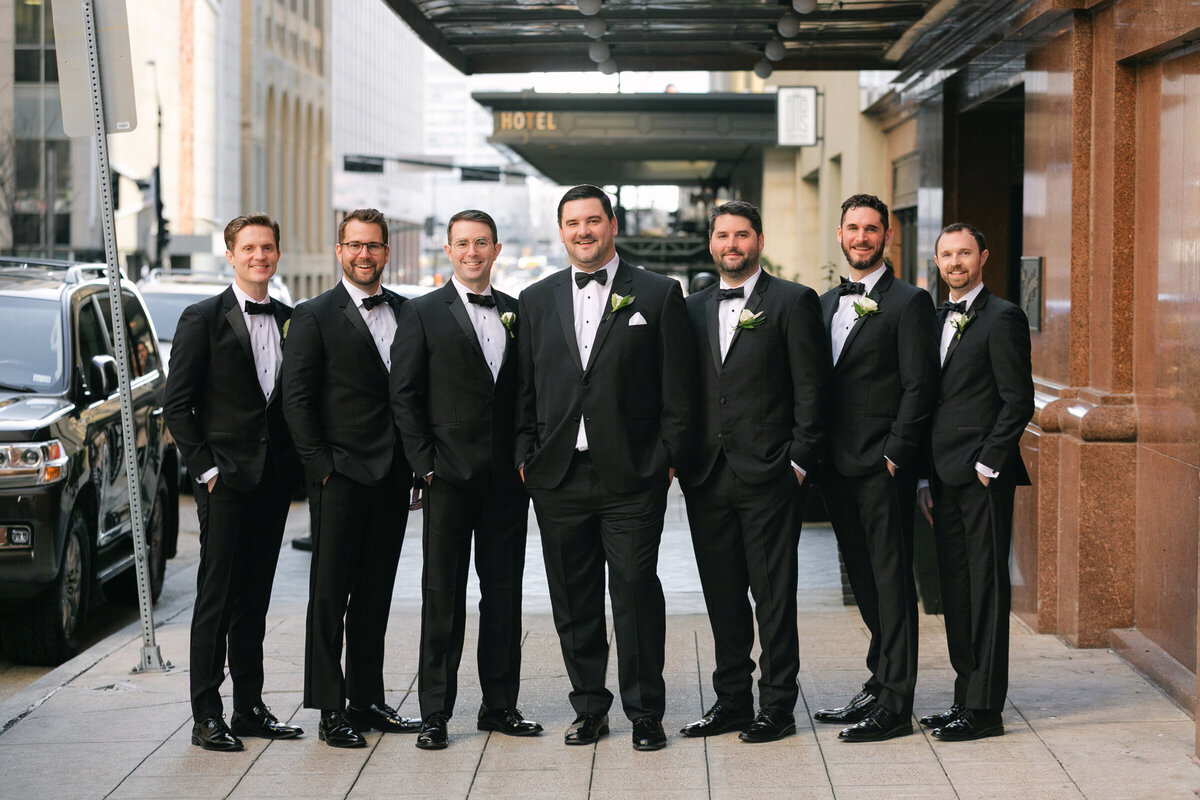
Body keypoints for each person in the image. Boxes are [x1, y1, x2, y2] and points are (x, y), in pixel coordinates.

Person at [514, 184, 695, 751]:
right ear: (561, 230)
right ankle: (589, 705)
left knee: (636, 588)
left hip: (633, 474)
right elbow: (523, 390)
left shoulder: (660, 293)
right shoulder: (535, 298)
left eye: (593, 221)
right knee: (574, 595)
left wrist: (664, 458)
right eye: (573, 223)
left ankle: (645, 711)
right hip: (559, 475)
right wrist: (527, 456)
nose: (583, 232)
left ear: (612, 225)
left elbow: (679, 387)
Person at [678, 201, 829, 743]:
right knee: (722, 596)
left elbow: (812, 389)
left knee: (773, 595)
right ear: (711, 243)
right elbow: (684, 391)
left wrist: (797, 461)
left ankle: (778, 707)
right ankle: (732, 701)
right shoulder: (690, 308)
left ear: (758, 241)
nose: (732, 245)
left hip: (769, 474)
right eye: (723, 236)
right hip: (706, 476)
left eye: (742, 235)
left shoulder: (792, 301)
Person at [390, 210, 541, 750]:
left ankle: (500, 705)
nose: (472, 252)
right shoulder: (422, 312)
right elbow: (404, 396)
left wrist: (526, 458)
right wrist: (425, 465)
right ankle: (435, 712)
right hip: (447, 479)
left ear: (497, 249)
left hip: (507, 483)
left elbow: (529, 395)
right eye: (462, 243)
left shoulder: (520, 314)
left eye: (481, 243)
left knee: (503, 597)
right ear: (448, 250)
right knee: (443, 596)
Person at [164, 213, 303, 751]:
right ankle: (206, 716)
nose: (259, 256)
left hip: (272, 482)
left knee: (256, 597)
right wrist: (207, 469)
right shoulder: (202, 318)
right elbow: (177, 406)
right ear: (231, 254)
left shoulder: (292, 319)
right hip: (223, 481)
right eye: (248, 248)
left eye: (267, 247)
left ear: (276, 253)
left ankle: (249, 706)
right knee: (216, 599)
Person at [281, 208, 420, 748]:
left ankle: (366, 700)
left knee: (375, 595)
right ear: (340, 252)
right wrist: (320, 470)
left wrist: (414, 465)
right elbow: (297, 400)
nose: (365, 255)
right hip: (338, 477)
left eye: (374, 246)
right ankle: (329, 708)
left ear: (386, 252)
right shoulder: (313, 315)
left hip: (392, 477)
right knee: (329, 595)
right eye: (355, 246)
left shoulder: (409, 311)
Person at [815, 194, 939, 742]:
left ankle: (896, 704)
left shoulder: (910, 302)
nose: (861, 237)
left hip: (881, 467)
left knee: (892, 584)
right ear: (840, 235)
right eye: (852, 229)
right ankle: (878, 679)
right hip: (835, 468)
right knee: (864, 581)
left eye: (871, 229)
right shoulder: (822, 304)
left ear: (886, 236)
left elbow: (920, 386)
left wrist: (897, 454)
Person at [916, 223, 1034, 741]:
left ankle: (986, 711)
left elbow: (1017, 400)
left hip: (983, 479)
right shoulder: (934, 314)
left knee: (986, 591)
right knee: (956, 590)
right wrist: (924, 474)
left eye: (965, 253)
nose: (956, 262)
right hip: (940, 477)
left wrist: (988, 464)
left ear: (983, 257)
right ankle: (965, 697)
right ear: (937, 261)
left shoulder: (1004, 316)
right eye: (947, 254)